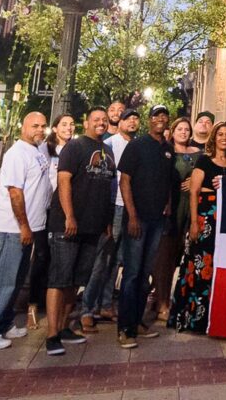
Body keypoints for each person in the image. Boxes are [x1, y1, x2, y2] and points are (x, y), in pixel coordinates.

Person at [0, 111, 51, 351]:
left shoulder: (36, 150)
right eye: (35, 125)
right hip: (12, 229)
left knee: (16, 281)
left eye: (43, 126)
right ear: (23, 126)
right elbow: (15, 192)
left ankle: (4, 324)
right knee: (3, 281)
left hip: (28, 229)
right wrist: (24, 226)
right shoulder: (17, 153)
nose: (40, 129)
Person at [44, 107, 116, 357]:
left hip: (93, 227)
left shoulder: (107, 150)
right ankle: (52, 334)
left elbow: (107, 187)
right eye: (96, 119)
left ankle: (64, 327)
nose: (101, 123)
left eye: (104, 120)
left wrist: (106, 220)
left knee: (75, 280)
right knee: (59, 278)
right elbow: (64, 181)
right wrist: (69, 215)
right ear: (86, 122)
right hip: (67, 225)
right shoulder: (75, 147)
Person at [117, 104, 176, 348]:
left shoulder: (168, 149)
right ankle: (125, 328)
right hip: (138, 219)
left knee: (145, 275)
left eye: (164, 116)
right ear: (149, 121)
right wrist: (131, 216)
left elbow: (168, 180)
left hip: (157, 220)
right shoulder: (136, 146)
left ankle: (138, 321)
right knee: (132, 273)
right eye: (156, 116)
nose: (160, 119)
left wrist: (169, 204)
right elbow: (125, 181)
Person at [171, 121, 226, 332]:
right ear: (214, 138)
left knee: (221, 266)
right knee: (200, 266)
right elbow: (194, 192)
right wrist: (193, 223)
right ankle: (194, 317)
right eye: (220, 134)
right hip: (205, 218)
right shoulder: (204, 161)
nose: (224, 138)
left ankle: (217, 316)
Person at [80, 107, 141, 331]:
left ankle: (105, 304)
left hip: (130, 208)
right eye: (128, 118)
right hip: (113, 206)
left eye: (136, 118)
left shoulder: (137, 145)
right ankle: (88, 307)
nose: (132, 122)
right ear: (120, 122)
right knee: (102, 258)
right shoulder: (110, 144)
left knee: (117, 260)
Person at [151, 116, 200, 325]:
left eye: (186, 129)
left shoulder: (198, 154)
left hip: (192, 208)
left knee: (185, 254)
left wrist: (194, 181)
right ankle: (161, 301)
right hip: (172, 207)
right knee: (165, 258)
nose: (183, 132)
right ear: (173, 131)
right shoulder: (166, 151)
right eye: (179, 129)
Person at [46, 113, 76, 191]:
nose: (69, 128)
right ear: (55, 129)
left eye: (71, 124)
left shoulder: (76, 150)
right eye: (64, 125)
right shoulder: (45, 148)